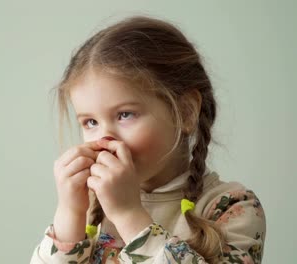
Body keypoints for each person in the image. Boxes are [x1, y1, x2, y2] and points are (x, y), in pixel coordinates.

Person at [30, 15, 266, 264]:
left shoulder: (230, 207)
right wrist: (69, 213)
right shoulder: (91, 210)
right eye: (91, 122)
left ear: (185, 112)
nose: (105, 138)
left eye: (125, 115)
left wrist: (128, 214)